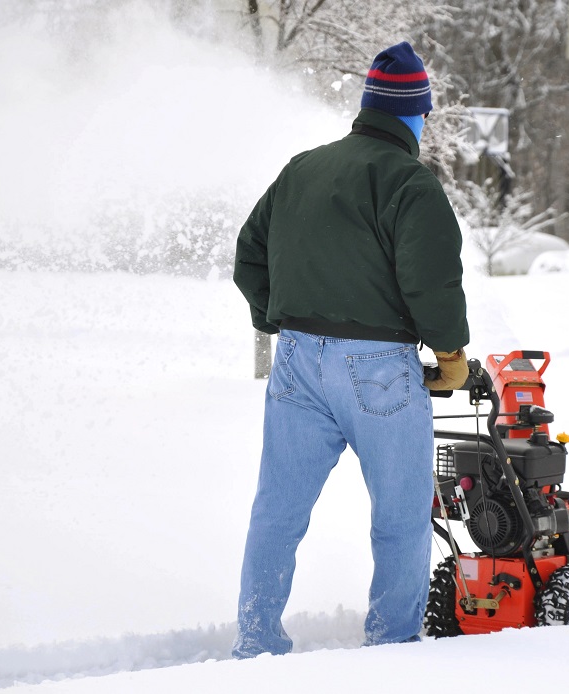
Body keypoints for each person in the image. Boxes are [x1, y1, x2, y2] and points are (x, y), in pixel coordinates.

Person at [231, 42, 469, 658]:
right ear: (413, 114)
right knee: (401, 516)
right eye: (424, 113)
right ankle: (391, 646)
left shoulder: (301, 168)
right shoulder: (409, 182)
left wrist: (273, 315)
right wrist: (449, 354)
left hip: (295, 361)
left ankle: (255, 643)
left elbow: (249, 256)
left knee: (277, 511)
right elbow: (430, 278)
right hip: (377, 369)